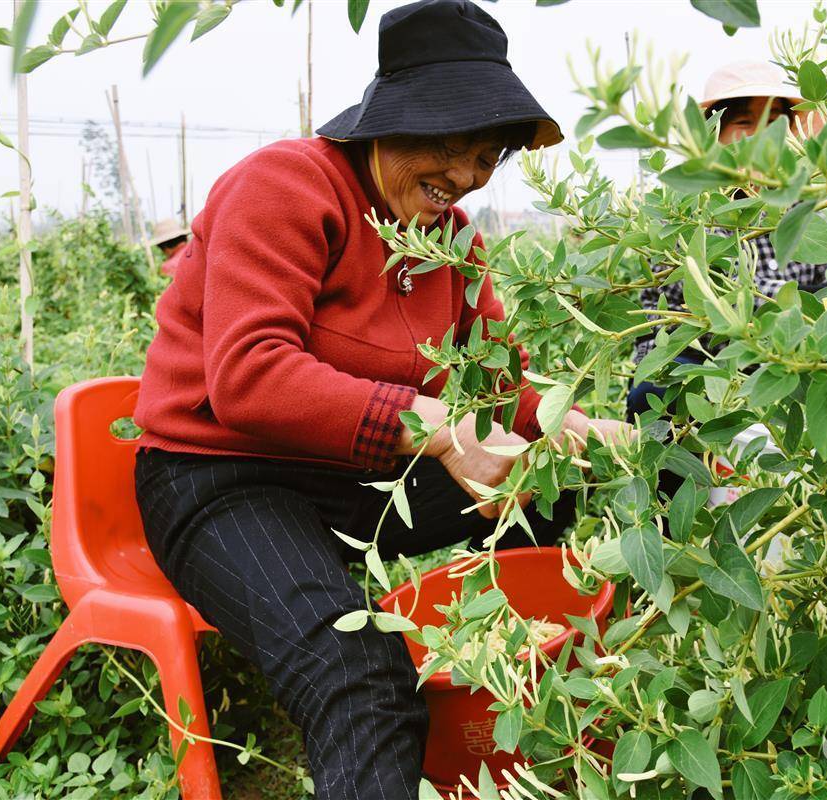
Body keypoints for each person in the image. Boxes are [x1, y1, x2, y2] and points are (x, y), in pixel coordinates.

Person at [132, 2, 623, 797]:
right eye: (444, 144)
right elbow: (249, 375)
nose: (464, 175)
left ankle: (515, 706)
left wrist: (572, 426)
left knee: (553, 484)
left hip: (353, 478)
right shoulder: (289, 186)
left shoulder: (451, 239)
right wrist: (433, 425)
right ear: (384, 121)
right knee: (357, 670)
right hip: (219, 479)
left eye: (487, 153)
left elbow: (496, 394)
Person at [628, 60, 827, 418]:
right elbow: (729, 302)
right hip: (695, 362)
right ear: (714, 135)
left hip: (778, 359)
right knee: (654, 396)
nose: (760, 136)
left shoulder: (798, 208)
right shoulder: (687, 211)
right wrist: (815, 307)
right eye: (744, 123)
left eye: (772, 123)